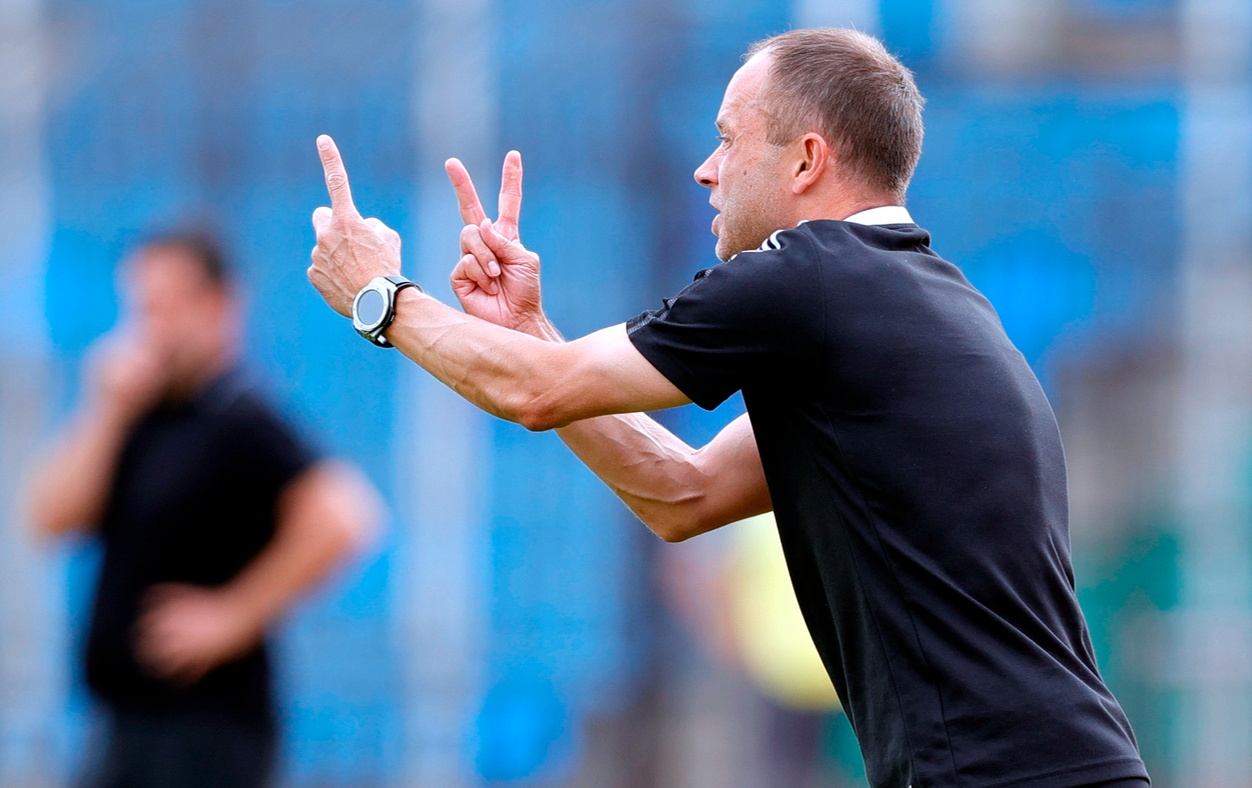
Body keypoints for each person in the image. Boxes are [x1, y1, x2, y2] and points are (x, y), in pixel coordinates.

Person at [305, 28, 1149, 788]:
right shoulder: (918, 300)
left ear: (806, 160)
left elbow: (536, 391)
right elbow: (684, 493)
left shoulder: (808, 274)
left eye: (727, 139)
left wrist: (380, 296)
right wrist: (532, 331)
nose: (706, 170)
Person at [28, 231, 380, 788]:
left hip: (207, 731)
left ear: (218, 306)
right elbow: (50, 519)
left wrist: (233, 616)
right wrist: (105, 409)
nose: (151, 327)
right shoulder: (141, 417)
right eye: (142, 309)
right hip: (126, 725)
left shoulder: (240, 418)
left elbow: (345, 517)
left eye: (165, 307)